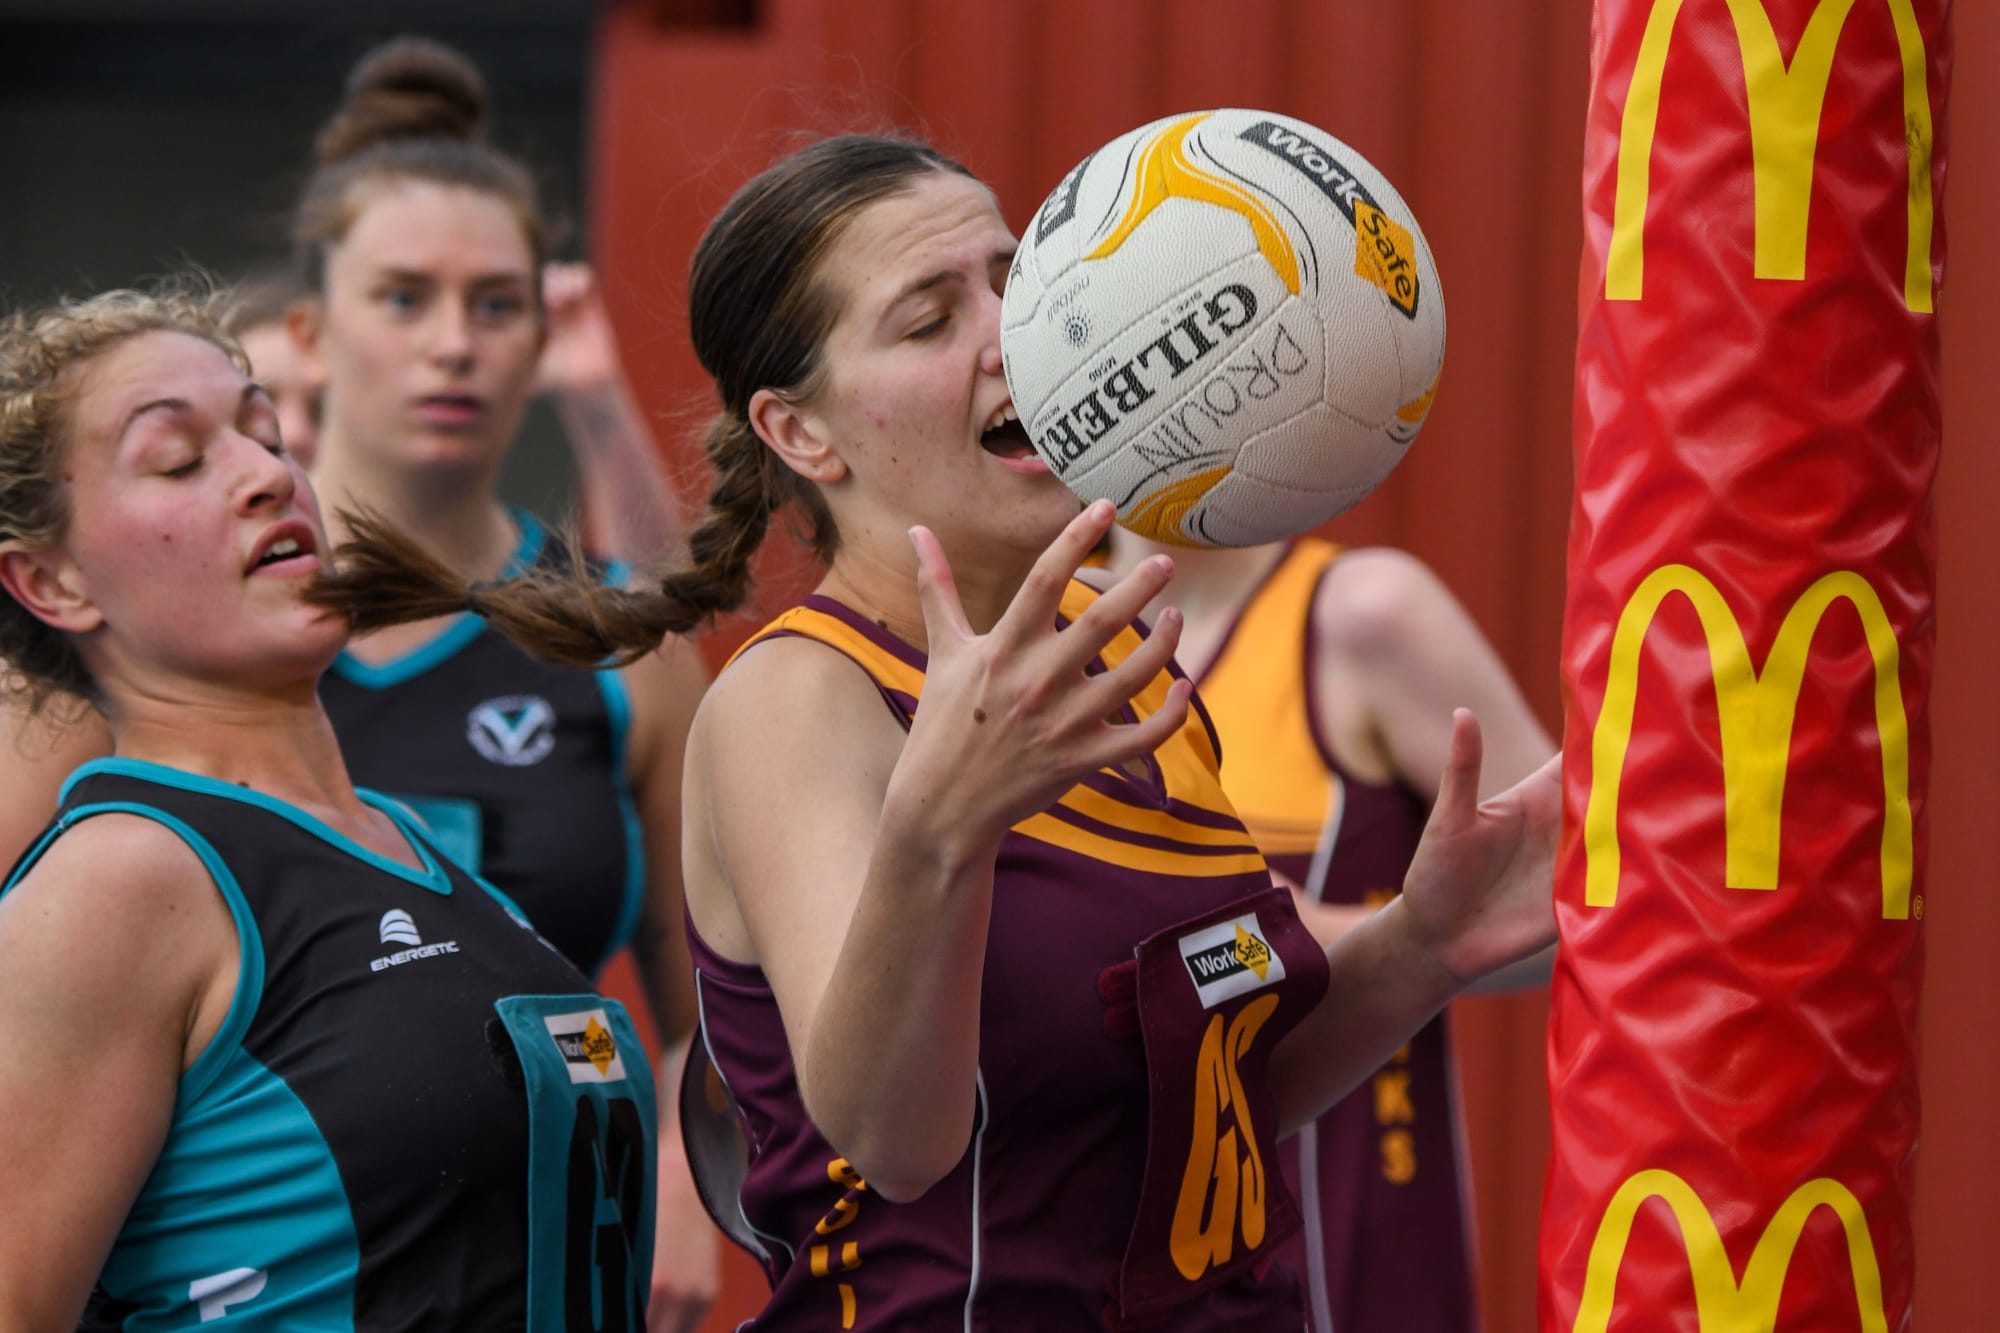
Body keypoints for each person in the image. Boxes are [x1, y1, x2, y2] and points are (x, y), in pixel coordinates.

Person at [650, 133, 1559, 1328]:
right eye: (929, 320)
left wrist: (1419, 943)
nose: (1008, 336)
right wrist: (944, 828)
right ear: (800, 435)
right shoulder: (798, 698)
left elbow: (1216, 1091)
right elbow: (891, 1138)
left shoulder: (1120, 653)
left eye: (1016, 281)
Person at [0, 286, 661, 1328]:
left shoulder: (403, 847)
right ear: (53, 581)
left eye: (265, 432)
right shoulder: (117, 882)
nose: (269, 474)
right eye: (180, 459)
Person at [278, 38, 716, 1326]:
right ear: (310, 331)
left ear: (546, 330)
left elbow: (720, 1010)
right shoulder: (186, 639)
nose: (452, 345)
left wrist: (689, 1167)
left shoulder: (616, 651)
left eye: (493, 302)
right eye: (403, 298)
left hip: (542, 1277)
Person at [1101, 530, 1557, 1332]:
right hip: (1128, 1266)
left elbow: (1567, 898)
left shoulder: (1363, 614)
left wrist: (1320, 933)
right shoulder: (1045, 640)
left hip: (1356, 1254)